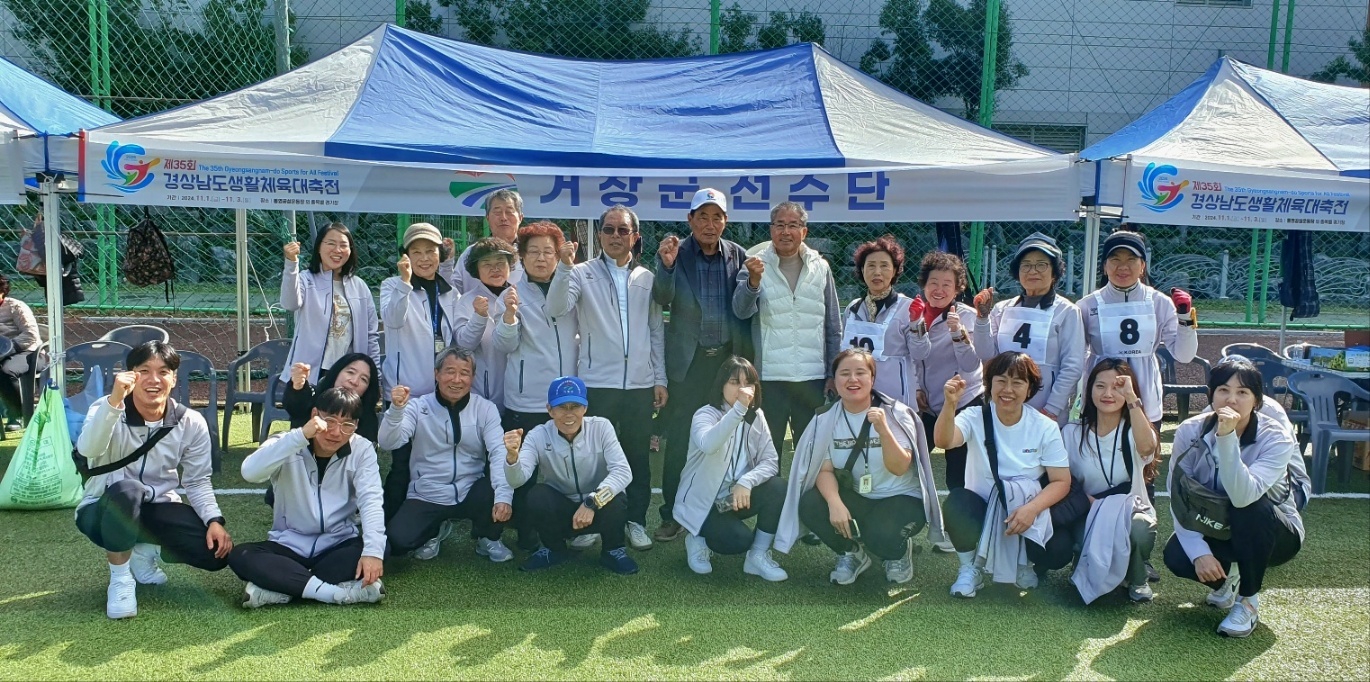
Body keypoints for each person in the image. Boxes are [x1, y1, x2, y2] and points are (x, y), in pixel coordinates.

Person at [73, 341, 231, 619]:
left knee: (215, 554)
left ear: (174, 378)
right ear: (130, 375)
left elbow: (197, 481)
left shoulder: (190, 421)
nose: (153, 379)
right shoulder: (106, 407)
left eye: (163, 372)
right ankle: (121, 580)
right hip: (103, 508)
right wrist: (114, 403)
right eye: (144, 371)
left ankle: (142, 551)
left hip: (157, 508)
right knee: (128, 491)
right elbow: (89, 449)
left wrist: (214, 520)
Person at [548, 205, 666, 551]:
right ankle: (593, 521)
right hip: (597, 383)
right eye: (609, 229)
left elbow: (655, 331)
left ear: (635, 236)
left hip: (640, 385)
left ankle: (635, 520)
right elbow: (556, 308)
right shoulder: (580, 273)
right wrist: (563, 267)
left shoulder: (647, 278)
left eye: (623, 230)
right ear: (599, 235)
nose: (616, 236)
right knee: (594, 458)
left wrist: (659, 378)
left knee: (636, 455)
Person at [776, 349, 947, 586]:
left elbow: (899, 468)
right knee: (811, 503)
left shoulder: (896, 413)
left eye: (860, 373)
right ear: (834, 380)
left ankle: (898, 552)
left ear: (872, 379)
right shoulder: (825, 420)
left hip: (901, 498)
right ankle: (852, 553)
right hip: (858, 496)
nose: (852, 379)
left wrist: (883, 430)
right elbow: (824, 470)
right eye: (844, 373)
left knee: (880, 536)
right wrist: (835, 504)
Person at [1163, 358, 1304, 638]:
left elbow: (1242, 496)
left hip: (1274, 533)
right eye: (1223, 390)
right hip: (1218, 521)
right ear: (1211, 395)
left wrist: (1226, 438)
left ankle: (1248, 601)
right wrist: (1199, 553)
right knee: (1178, 555)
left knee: (1249, 506)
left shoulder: (1276, 437)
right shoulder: (1189, 431)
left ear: (1257, 401)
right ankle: (1228, 581)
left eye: (1242, 392)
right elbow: (1178, 494)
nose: (1231, 399)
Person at [934, 352, 1079, 598]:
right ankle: (970, 567)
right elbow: (944, 441)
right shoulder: (974, 416)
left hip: (1026, 511)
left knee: (1060, 549)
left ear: (1030, 389)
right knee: (957, 502)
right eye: (1001, 380)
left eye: (1017, 382)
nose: (1007, 390)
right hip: (983, 508)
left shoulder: (1045, 426)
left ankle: (1025, 564)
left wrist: (1031, 509)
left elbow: (1061, 481)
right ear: (989, 384)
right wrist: (950, 404)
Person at [653, 188, 753, 543]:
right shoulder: (674, 253)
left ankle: (718, 508)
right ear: (690, 220)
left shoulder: (738, 255)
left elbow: (745, 309)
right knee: (681, 439)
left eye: (717, 217)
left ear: (726, 221)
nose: (710, 225)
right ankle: (672, 514)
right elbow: (661, 297)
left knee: (727, 436)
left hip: (726, 364)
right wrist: (666, 266)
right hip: (688, 364)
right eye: (703, 217)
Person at [229, 388, 387, 607]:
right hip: (289, 545)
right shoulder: (287, 441)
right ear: (315, 415)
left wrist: (373, 552)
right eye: (329, 421)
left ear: (356, 426)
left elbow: (371, 500)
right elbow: (250, 472)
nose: (336, 432)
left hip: (337, 543)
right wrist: (301, 436)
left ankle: (284, 587)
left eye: (347, 425)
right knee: (241, 555)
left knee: (380, 548)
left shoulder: (362, 449)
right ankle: (335, 593)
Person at [378, 348, 514, 564]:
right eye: (450, 371)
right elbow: (388, 442)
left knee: (498, 484)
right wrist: (395, 411)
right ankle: (434, 531)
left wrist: (503, 497)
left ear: (472, 377)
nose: (457, 380)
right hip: (427, 493)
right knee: (398, 541)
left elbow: (499, 452)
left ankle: (488, 537)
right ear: (436, 374)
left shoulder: (485, 409)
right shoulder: (417, 406)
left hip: (471, 488)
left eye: (464, 373)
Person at [732, 202, 842, 463]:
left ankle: (807, 493)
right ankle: (769, 492)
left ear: (804, 231)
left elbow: (833, 325)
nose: (785, 231)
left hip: (813, 377)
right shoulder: (754, 265)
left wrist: (832, 372)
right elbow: (740, 311)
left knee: (811, 455)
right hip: (770, 377)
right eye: (779, 225)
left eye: (793, 225)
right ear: (771, 230)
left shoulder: (821, 267)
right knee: (767, 455)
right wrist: (753, 282)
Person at [502, 376, 639, 575]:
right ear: (550, 410)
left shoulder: (602, 427)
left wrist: (592, 502)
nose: (569, 414)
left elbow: (623, 471)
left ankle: (613, 550)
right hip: (563, 510)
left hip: (597, 508)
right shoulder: (537, 435)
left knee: (617, 497)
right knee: (537, 495)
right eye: (561, 407)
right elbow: (517, 480)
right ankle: (554, 549)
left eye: (575, 406)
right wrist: (512, 458)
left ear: (585, 408)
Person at [676, 357, 788, 581]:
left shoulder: (757, 416)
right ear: (721, 385)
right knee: (737, 541)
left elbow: (770, 461)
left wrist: (747, 481)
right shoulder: (705, 414)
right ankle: (696, 537)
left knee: (778, 487)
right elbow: (709, 444)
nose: (743, 389)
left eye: (748, 383)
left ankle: (757, 556)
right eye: (735, 382)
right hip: (704, 505)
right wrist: (738, 410)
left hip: (734, 499)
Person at [1077, 229, 1198, 430]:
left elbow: (1185, 356)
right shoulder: (1086, 305)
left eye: (1131, 259)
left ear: (1142, 266)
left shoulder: (1160, 302)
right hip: (1102, 397)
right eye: (1115, 259)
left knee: (1143, 449)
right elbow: (1077, 356)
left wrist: (1185, 318)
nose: (1123, 266)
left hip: (1145, 396)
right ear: (1104, 266)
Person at [1061, 359, 1159, 603]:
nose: (1107, 394)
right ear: (1089, 390)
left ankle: (1137, 578)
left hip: (1129, 512)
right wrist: (1090, 503)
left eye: (1117, 387)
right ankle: (1083, 562)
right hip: (1088, 510)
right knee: (1084, 539)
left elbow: (1148, 448)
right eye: (1100, 386)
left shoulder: (1134, 429)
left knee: (1139, 529)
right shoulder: (1072, 432)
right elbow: (1063, 480)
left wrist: (1131, 398)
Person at [973, 232, 1085, 425]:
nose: (1033, 271)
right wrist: (982, 318)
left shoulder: (1067, 311)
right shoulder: (1001, 309)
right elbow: (987, 356)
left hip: (1046, 412)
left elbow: (1072, 366)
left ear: (1055, 272)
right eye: (1026, 265)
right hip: (1004, 406)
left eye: (1041, 265)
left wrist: (1052, 408)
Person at [497, 221, 579, 434]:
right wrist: (509, 316)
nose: (541, 258)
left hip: (567, 398)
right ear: (522, 256)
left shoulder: (573, 290)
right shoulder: (511, 295)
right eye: (533, 251)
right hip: (526, 401)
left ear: (558, 257)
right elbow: (504, 346)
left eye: (548, 252)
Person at [913, 250, 984, 497]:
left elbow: (971, 364)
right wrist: (916, 387)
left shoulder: (967, 316)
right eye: (933, 282)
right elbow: (909, 357)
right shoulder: (915, 312)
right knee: (910, 463)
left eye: (947, 284)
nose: (939, 290)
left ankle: (961, 513)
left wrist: (958, 333)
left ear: (957, 289)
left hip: (963, 403)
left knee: (958, 474)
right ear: (924, 284)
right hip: (927, 404)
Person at [275, 353, 383, 512]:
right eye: (350, 372)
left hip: (340, 495)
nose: (354, 381)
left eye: (364, 379)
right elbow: (296, 406)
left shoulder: (367, 419)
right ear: (337, 371)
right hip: (299, 488)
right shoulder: (314, 396)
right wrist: (297, 386)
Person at [280, 223, 381, 386]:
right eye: (331, 243)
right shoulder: (306, 279)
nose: (337, 250)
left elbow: (371, 336)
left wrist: (375, 376)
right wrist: (291, 264)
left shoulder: (360, 286)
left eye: (343, 245)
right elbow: (290, 303)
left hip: (349, 374)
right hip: (309, 373)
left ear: (351, 250)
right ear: (319, 247)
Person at [842, 235, 930, 409]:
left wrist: (916, 323)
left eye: (884, 266)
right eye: (871, 266)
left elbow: (921, 353)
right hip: (858, 395)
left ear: (895, 270)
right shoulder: (852, 309)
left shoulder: (907, 308)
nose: (877, 272)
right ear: (862, 270)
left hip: (896, 399)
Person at [380, 222, 460, 396]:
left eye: (430, 251)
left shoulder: (451, 293)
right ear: (406, 256)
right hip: (403, 392)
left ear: (440, 254)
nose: (424, 258)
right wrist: (405, 283)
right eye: (416, 252)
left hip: (444, 391)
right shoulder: (392, 285)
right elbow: (393, 320)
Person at [452, 237, 520, 412]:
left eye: (500, 262)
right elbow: (464, 346)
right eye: (487, 264)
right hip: (485, 397)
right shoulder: (467, 301)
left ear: (510, 265)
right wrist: (479, 317)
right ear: (476, 269)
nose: (495, 269)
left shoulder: (522, 295)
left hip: (522, 395)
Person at [449, 189, 526, 294]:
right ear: (487, 218)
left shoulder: (530, 253)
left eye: (509, 212)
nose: (503, 218)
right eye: (497, 212)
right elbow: (453, 291)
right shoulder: (471, 253)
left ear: (520, 217)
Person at [0, 274, 39, 430]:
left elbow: (31, 334)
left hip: (26, 352)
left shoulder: (15, 306)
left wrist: (9, 348)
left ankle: (17, 414)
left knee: (6, 371)